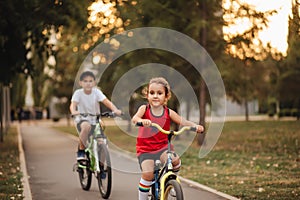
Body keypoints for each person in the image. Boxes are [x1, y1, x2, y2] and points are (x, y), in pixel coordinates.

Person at [132, 77, 204, 200]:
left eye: (159, 93)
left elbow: (182, 121)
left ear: (166, 97)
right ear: (147, 95)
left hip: (163, 147)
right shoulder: (144, 109)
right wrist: (141, 120)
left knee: (175, 160)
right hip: (146, 150)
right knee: (148, 174)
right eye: (152, 93)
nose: (155, 96)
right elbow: (135, 119)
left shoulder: (168, 112)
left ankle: (171, 183)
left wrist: (194, 126)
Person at [70, 71, 122, 160]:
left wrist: (115, 110)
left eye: (90, 81)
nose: (88, 83)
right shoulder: (78, 93)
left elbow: (106, 102)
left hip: (96, 120)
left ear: (94, 83)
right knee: (86, 127)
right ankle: (81, 150)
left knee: (102, 143)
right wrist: (74, 111)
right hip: (83, 120)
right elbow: (73, 105)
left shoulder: (96, 92)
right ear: (80, 83)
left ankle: (102, 169)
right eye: (85, 81)